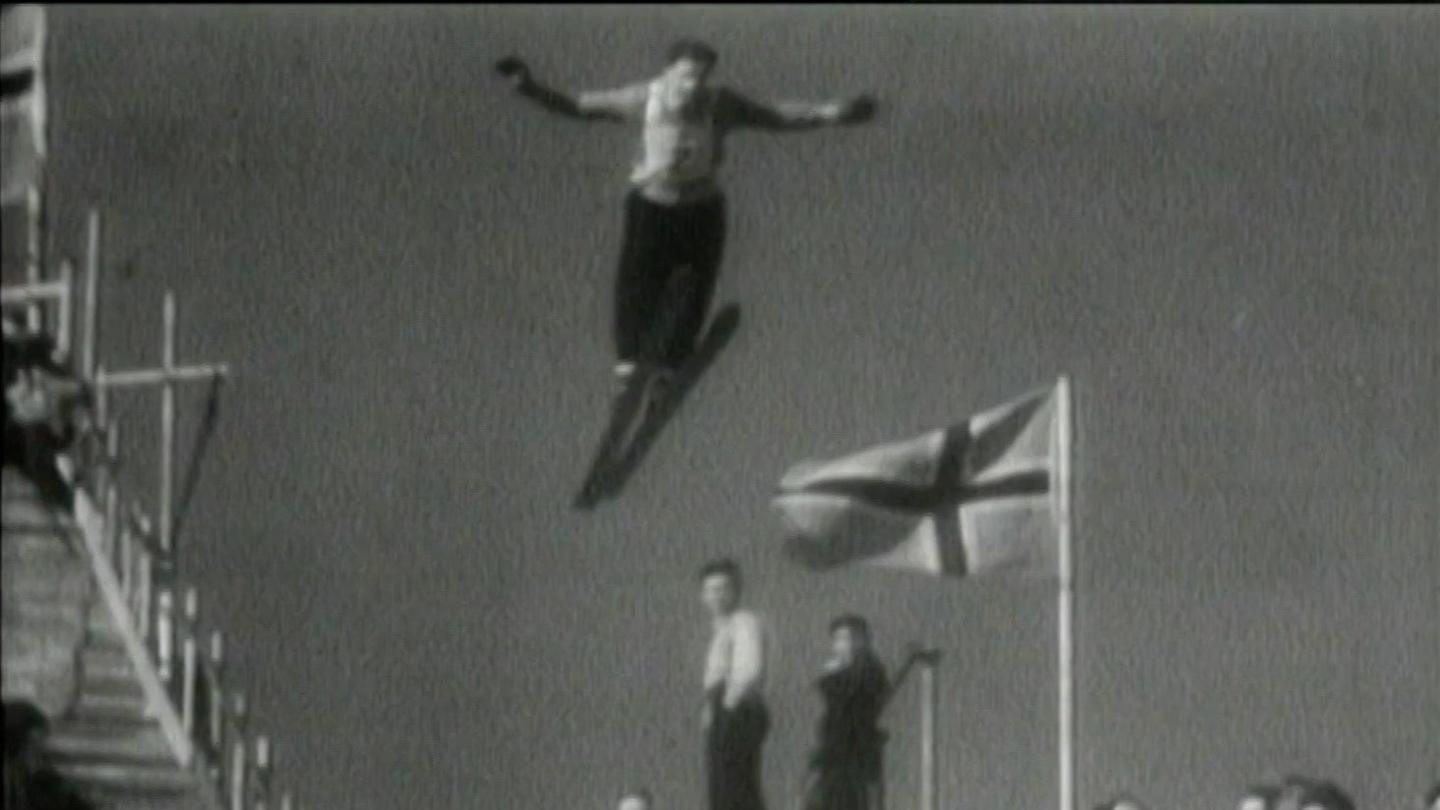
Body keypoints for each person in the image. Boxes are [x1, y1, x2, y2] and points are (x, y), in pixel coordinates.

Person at [496, 41, 877, 387]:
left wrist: (832, 113)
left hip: (701, 206)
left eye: (699, 78)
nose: (691, 87)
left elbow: (775, 117)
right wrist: (529, 87)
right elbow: (579, 106)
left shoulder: (721, 103)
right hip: (652, 203)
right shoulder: (642, 98)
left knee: (697, 280)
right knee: (640, 276)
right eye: (684, 77)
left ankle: (672, 362)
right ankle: (631, 356)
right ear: (668, 74)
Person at [699, 558, 770, 810]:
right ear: (703, 596)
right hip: (723, 709)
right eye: (711, 590)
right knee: (722, 787)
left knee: (735, 785)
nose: (717, 596)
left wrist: (728, 706)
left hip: (737, 709)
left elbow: (750, 668)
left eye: (723, 588)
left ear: (736, 591)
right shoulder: (720, 630)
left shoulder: (743, 621)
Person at [802, 615, 889, 810]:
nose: (843, 645)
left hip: (854, 752)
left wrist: (830, 677)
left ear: (863, 641)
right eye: (838, 639)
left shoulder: (871, 670)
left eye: (848, 638)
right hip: (834, 751)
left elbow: (845, 696)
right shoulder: (841, 670)